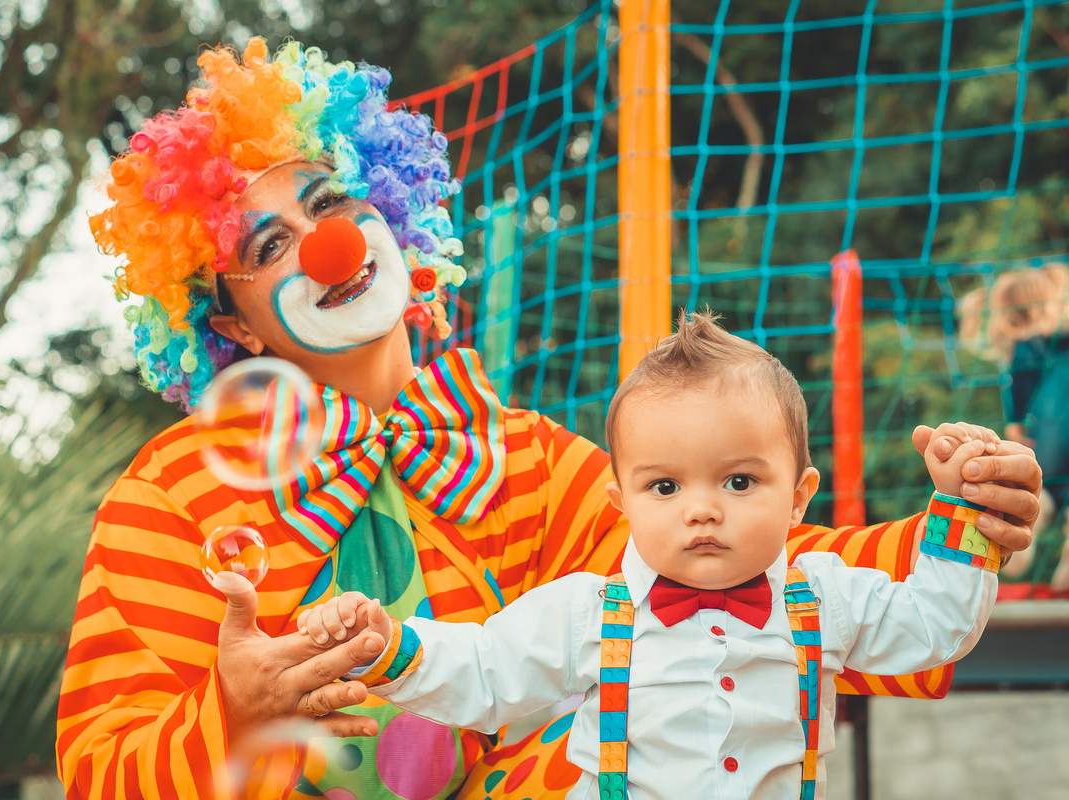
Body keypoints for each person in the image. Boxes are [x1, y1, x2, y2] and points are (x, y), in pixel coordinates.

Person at [56, 38, 1042, 800]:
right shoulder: (170, 499)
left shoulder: (524, 460)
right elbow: (100, 767)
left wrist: (960, 526)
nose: (327, 248)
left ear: (392, 209)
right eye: (270, 246)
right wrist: (230, 710)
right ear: (228, 321)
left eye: (334, 202)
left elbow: (754, 563)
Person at [299, 312, 1001, 799]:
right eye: (665, 487)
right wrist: (389, 645)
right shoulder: (588, 612)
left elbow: (936, 625)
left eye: (739, 481)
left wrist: (964, 510)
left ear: (798, 498)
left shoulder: (826, 598)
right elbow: (484, 673)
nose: (702, 509)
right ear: (621, 504)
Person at [959, 264, 1069, 587]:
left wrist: (1017, 424)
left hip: (1050, 430)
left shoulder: (1026, 344)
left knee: (1043, 489)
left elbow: (1020, 384)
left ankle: (1024, 532)